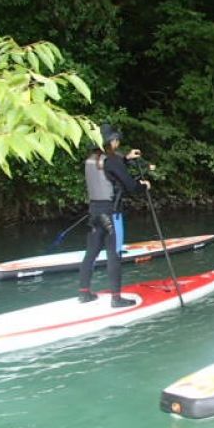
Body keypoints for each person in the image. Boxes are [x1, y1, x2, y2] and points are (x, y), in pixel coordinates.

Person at [77, 124, 151, 307]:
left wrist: (126, 158)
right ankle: (116, 299)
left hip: (94, 214)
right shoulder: (112, 160)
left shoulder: (92, 158)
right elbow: (131, 186)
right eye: (116, 140)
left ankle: (84, 293)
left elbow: (110, 170)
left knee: (91, 253)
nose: (118, 143)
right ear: (112, 141)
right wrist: (144, 185)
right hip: (111, 215)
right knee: (114, 254)